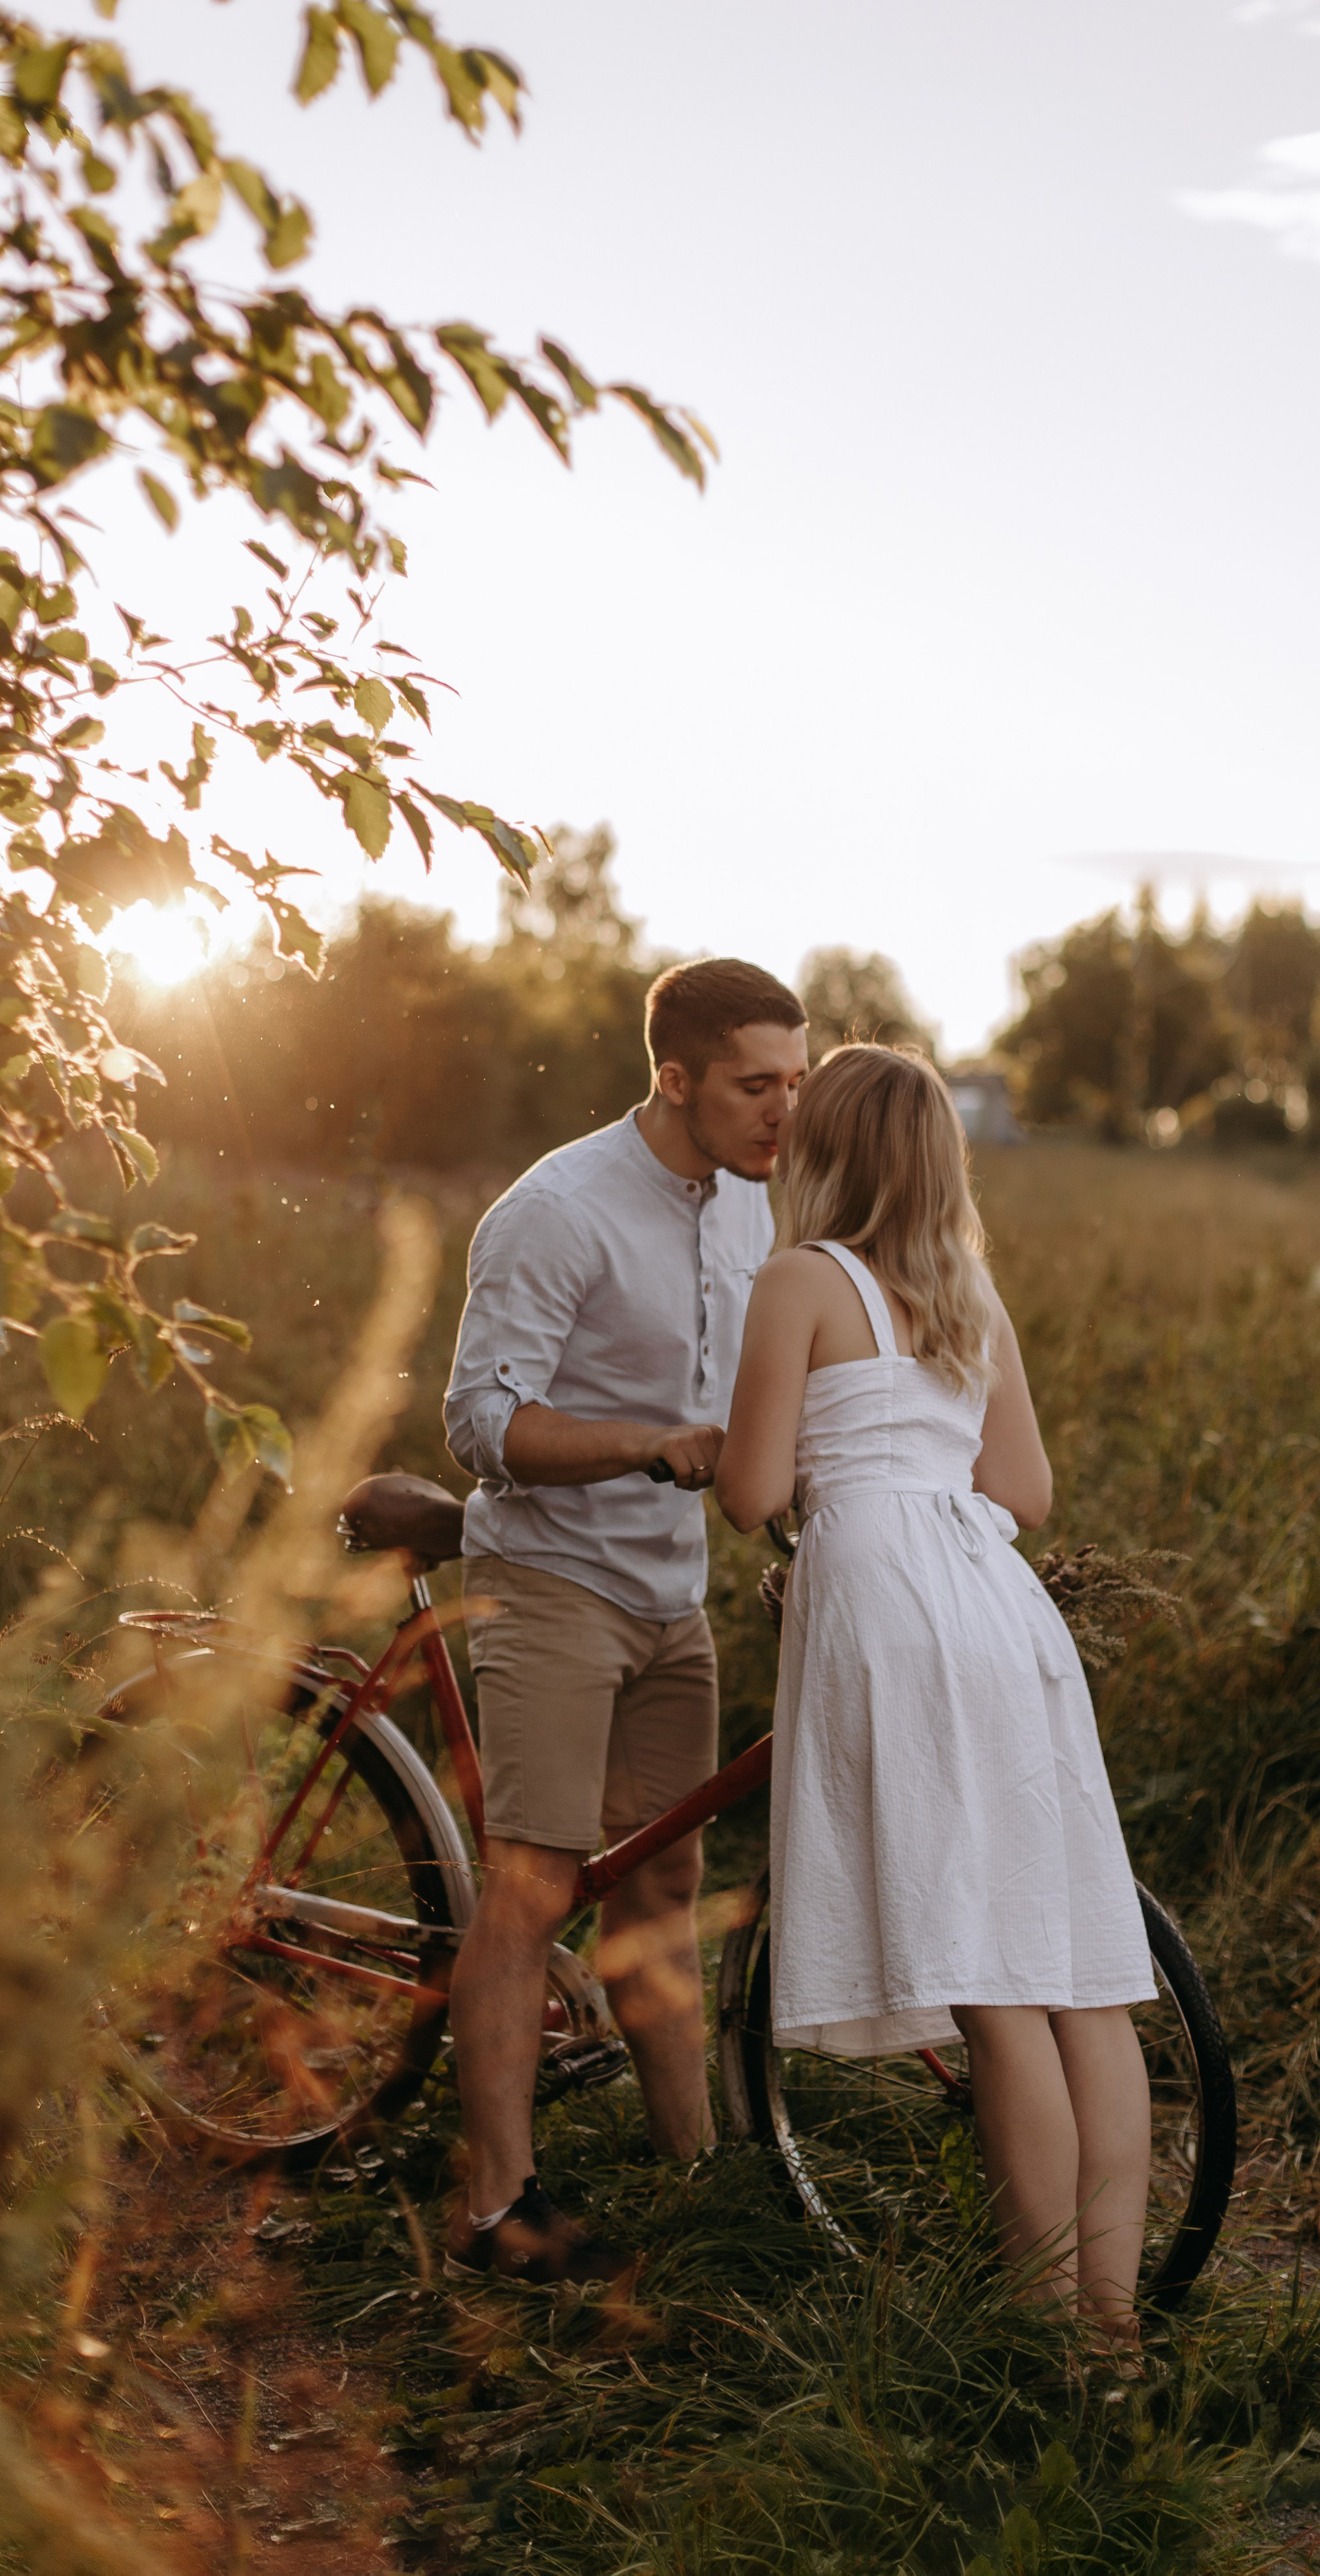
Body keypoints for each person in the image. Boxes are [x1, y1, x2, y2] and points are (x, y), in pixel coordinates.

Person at [714, 1043, 1154, 2340]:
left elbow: (747, 1494)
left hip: (889, 1613)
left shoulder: (800, 1280)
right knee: (1080, 1977)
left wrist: (819, 1470)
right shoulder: (971, 1294)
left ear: (825, 1151)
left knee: (986, 1976)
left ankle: (1040, 2320)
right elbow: (1022, 1496)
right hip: (1000, 1611)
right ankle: (1110, 2329)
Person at [441, 957, 809, 2282]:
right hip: (553, 1582)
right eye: (755, 1085)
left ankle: (694, 2180)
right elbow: (481, 1425)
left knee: (662, 1887)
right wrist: (650, 1449)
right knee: (535, 1882)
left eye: (797, 1082)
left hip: (672, 1598)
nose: (784, 1111)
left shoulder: (745, 1209)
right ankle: (497, 2210)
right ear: (676, 1079)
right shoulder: (559, 1210)